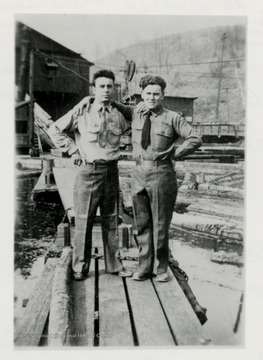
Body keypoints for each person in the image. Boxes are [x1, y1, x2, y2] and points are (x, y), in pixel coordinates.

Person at [74, 74, 202, 282]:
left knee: (160, 223)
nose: (152, 97)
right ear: (142, 95)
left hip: (162, 173)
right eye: (148, 93)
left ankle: (160, 269)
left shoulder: (172, 117)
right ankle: (144, 268)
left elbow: (195, 137)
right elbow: (108, 101)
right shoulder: (136, 113)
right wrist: (87, 99)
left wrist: (177, 153)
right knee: (141, 223)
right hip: (138, 173)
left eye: (156, 94)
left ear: (162, 96)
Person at [48, 69, 133, 280]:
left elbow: (137, 127)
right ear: (94, 89)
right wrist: (73, 150)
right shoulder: (82, 111)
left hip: (111, 172)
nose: (106, 90)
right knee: (84, 221)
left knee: (112, 220)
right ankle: (80, 267)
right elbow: (54, 130)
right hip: (88, 172)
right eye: (101, 86)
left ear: (114, 89)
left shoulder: (118, 115)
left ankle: (114, 265)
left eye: (109, 86)